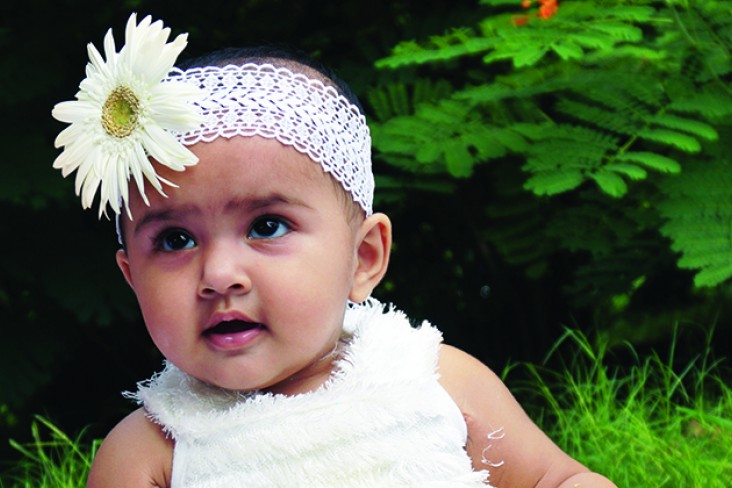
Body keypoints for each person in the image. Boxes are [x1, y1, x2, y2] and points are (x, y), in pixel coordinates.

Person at [52, 13, 616, 488]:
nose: (220, 274)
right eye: (175, 240)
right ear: (132, 277)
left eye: (268, 226)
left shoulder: (431, 379)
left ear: (364, 257)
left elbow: (557, 479)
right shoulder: (152, 452)